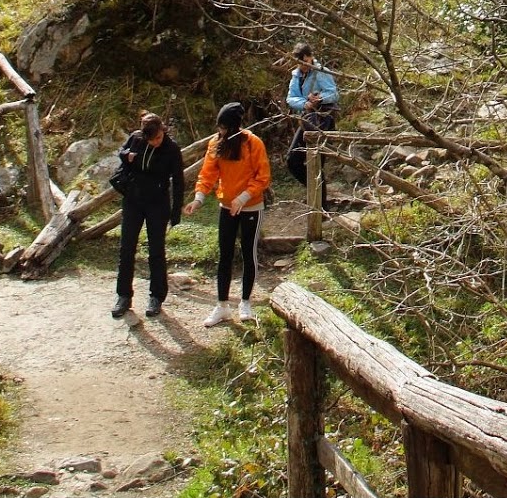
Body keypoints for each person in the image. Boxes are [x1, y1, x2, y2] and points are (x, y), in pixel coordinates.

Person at [190, 102, 270, 326]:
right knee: (224, 255)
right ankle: (222, 305)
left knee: (248, 253)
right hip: (226, 207)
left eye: (224, 127)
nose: (220, 131)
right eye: (219, 127)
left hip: (251, 207)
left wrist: (244, 197)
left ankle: (245, 302)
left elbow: (263, 176)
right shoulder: (216, 143)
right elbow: (207, 173)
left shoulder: (254, 144)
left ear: (234, 127)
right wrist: (199, 198)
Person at [111, 112, 184, 321]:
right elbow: (122, 154)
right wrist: (128, 156)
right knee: (126, 248)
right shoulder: (136, 138)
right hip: (133, 200)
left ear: (163, 130)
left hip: (157, 203)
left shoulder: (171, 149)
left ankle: (156, 296)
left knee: (156, 250)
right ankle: (123, 295)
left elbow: (178, 181)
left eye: (159, 138)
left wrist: (176, 211)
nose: (155, 143)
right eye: (151, 140)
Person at [284, 42, 338, 184]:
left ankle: (321, 202)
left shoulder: (321, 71)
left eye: (306, 62)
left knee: (317, 162)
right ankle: (314, 191)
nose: (304, 66)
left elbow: (333, 94)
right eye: (300, 63)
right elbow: (290, 98)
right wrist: (304, 103)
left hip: (323, 119)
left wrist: (319, 98)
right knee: (292, 160)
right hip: (307, 119)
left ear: (311, 57)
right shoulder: (296, 76)